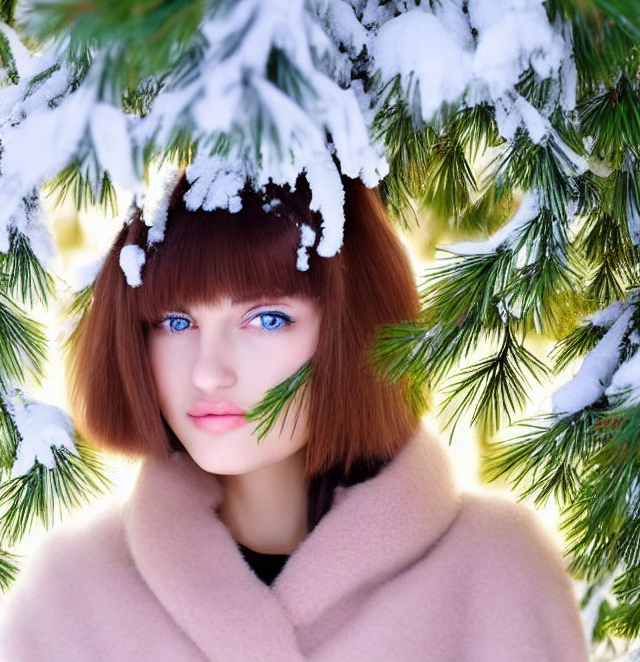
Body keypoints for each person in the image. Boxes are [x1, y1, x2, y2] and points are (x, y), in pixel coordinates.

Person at [0, 169, 590, 661]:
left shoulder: (497, 572)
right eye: (177, 323)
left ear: (352, 328)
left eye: (267, 319)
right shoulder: (69, 598)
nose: (210, 372)